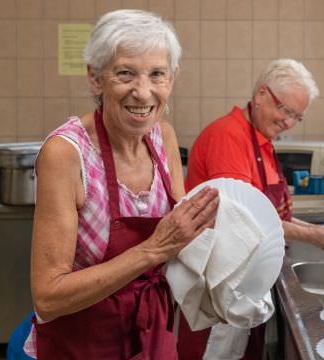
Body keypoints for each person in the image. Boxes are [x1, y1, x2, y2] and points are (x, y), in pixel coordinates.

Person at [24, 9, 219, 360]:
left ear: (172, 79)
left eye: (157, 75)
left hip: (153, 334)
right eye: (125, 73)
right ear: (96, 79)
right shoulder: (66, 155)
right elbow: (48, 297)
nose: (143, 93)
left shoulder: (164, 138)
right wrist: (153, 250)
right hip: (83, 343)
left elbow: (179, 239)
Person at [178, 59, 324, 359]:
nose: (288, 123)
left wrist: (317, 231)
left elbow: (271, 216)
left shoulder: (261, 142)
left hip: (242, 280)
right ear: (261, 95)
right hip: (218, 284)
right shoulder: (229, 136)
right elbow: (245, 222)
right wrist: (314, 238)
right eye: (284, 110)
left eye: (297, 117)